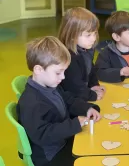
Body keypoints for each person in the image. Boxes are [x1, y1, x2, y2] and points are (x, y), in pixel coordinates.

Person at [17, 36, 101, 166]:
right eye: (58, 72)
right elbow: (42, 134)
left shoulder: (50, 85)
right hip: (50, 155)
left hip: (61, 141)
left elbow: (68, 100)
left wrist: (87, 108)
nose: (62, 77)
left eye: (64, 72)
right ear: (38, 69)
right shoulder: (31, 102)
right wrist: (73, 125)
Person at [58, 7, 105, 101]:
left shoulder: (86, 48)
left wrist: (94, 85)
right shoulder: (68, 57)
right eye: (88, 35)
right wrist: (92, 95)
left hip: (81, 95)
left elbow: (91, 70)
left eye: (95, 33)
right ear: (72, 36)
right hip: (70, 101)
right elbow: (74, 87)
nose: (93, 38)